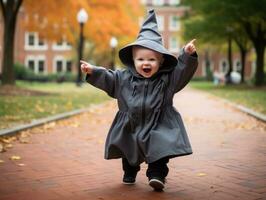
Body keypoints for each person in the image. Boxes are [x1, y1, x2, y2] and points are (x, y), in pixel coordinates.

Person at [80, 9, 198, 191]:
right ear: (133, 61)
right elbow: (109, 78)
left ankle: (157, 174)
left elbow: (182, 72)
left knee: (160, 148)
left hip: (159, 122)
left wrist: (186, 56)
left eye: (152, 59)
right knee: (129, 148)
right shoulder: (124, 78)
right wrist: (93, 71)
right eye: (141, 59)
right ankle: (130, 171)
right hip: (131, 122)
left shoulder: (166, 79)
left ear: (160, 62)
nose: (146, 63)